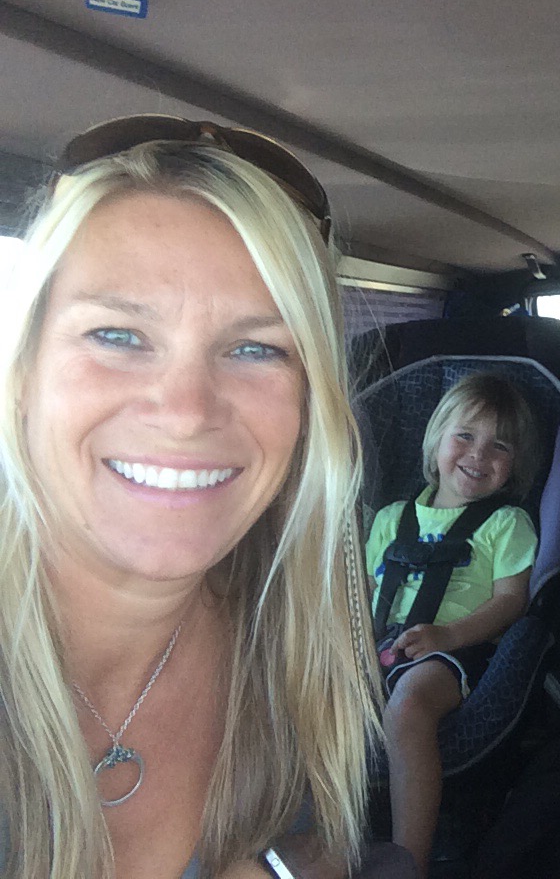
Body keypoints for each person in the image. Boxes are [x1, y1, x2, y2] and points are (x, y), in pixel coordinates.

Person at [0, 116, 391, 878]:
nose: (185, 412)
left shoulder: (292, 642)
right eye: (117, 335)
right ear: (22, 373)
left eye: (255, 349)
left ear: (310, 403)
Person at [365, 372, 542, 877]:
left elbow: (511, 602)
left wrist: (448, 635)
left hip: (454, 650)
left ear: (514, 465)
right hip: (376, 646)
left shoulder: (506, 524)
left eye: (499, 445)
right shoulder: (390, 518)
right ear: (436, 440)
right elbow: (362, 592)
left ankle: (408, 862)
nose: (478, 454)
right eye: (465, 435)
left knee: (408, 707)